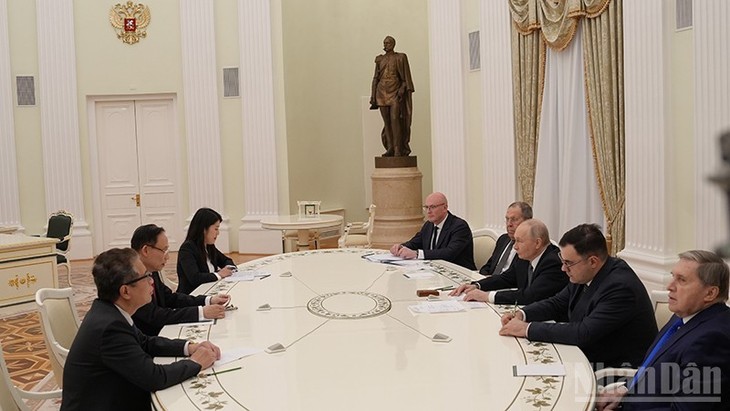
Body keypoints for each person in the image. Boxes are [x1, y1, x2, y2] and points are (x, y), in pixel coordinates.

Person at [60, 248, 220, 410]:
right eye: (146, 276)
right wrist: (195, 362)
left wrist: (190, 347)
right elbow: (154, 377)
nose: (152, 281)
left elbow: (145, 342)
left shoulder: (110, 311)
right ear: (125, 291)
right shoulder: (110, 327)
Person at [499, 223, 657, 369]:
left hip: (613, 371)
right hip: (584, 356)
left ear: (593, 261)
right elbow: (557, 303)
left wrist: (527, 329)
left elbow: (583, 333)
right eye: (562, 261)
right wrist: (522, 314)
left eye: (568, 263)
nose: (563, 268)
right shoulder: (584, 273)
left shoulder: (620, 287)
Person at [597, 250, 730, 410]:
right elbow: (655, 369)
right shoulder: (684, 314)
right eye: (673, 276)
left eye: (682, 280)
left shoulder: (712, 339)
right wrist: (624, 390)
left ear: (710, 293)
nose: (670, 286)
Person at [131, 224, 230, 335]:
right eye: (164, 250)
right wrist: (201, 312)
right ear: (145, 250)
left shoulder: (151, 271)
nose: (167, 257)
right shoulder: (132, 279)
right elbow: (156, 316)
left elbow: (170, 298)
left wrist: (208, 300)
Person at [450, 219, 567, 305]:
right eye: (515, 241)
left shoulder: (554, 263)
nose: (515, 247)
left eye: (519, 241)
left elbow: (530, 296)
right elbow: (506, 278)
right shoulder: (526, 256)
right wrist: (477, 285)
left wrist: (487, 296)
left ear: (537, 243)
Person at [390, 192, 476, 270]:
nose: (428, 211)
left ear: (445, 207)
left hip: (459, 272)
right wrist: (401, 247)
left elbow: (449, 253)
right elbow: (414, 243)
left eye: (433, 207)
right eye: (426, 207)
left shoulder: (459, 226)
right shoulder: (428, 225)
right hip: (432, 271)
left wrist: (417, 254)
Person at [370, 35, 415, 157]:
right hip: (381, 92)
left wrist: (402, 88)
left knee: (395, 119)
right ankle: (390, 148)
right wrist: (373, 95)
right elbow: (375, 78)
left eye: (388, 43)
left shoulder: (400, 57)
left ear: (393, 44)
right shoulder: (379, 59)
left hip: (394, 91)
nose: (385, 45)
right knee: (387, 122)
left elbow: (405, 79)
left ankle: (397, 148)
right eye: (384, 43)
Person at [177, 207, 235, 294]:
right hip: (192, 296)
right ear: (204, 229)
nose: (218, 233)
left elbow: (226, 260)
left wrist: (229, 268)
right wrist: (219, 274)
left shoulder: (209, 246)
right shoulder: (187, 249)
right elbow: (195, 278)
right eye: (216, 229)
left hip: (210, 291)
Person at [479, 202, 532, 276]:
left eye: (514, 219)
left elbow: (516, 277)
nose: (509, 224)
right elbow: (489, 266)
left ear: (527, 221)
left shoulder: (528, 246)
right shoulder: (503, 239)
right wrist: (483, 278)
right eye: (507, 219)